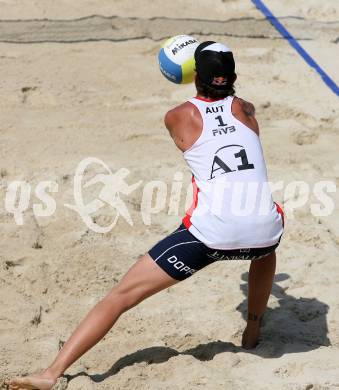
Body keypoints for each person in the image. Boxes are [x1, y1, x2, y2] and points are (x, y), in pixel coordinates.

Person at [7, 41, 284, 390]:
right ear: (233, 78)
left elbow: (193, 133)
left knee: (120, 297)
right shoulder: (246, 110)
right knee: (265, 242)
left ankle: (50, 373)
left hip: (211, 235)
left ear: (194, 75)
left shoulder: (177, 116)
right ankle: (253, 330)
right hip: (265, 233)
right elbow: (231, 103)